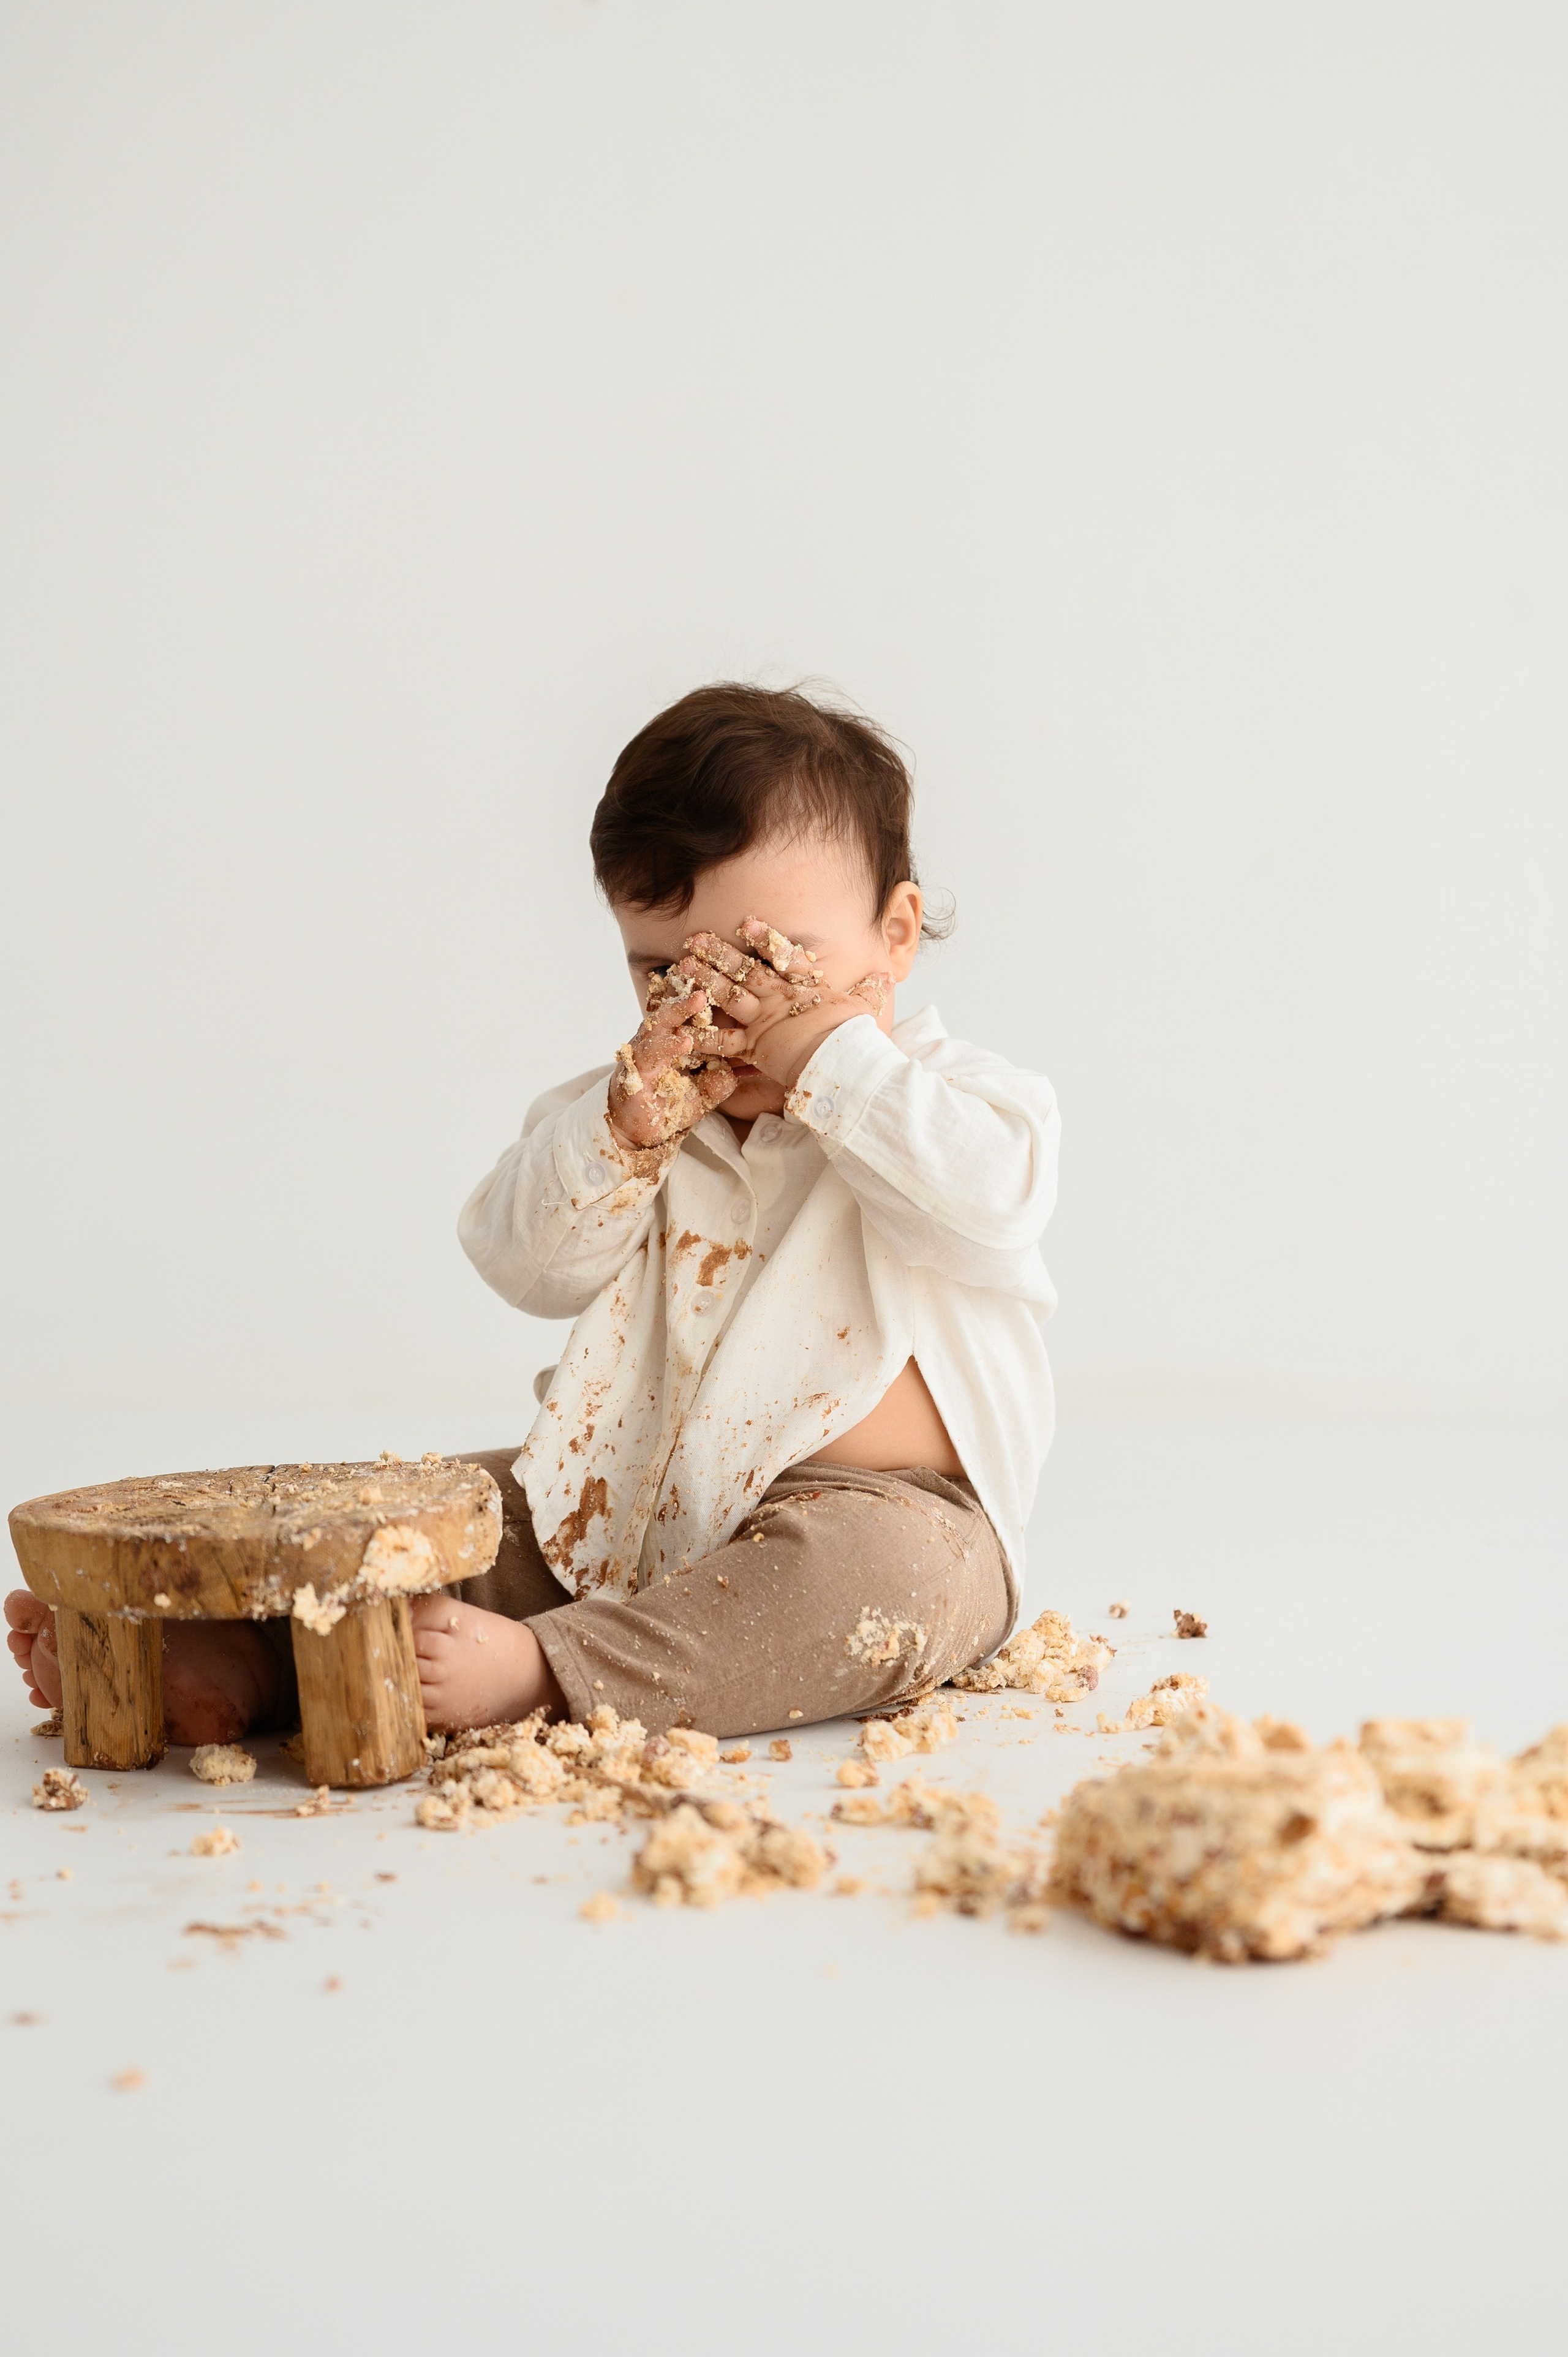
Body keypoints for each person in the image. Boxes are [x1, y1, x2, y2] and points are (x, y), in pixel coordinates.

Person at [6, 684, 1060, 1746]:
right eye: (667, 972)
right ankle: (243, 1649)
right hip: (623, 1499)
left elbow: (991, 1210)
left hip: (884, 1513)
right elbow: (524, 1265)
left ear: (897, 932)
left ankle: (552, 1670)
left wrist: (829, 1062)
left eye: (776, 964)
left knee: (884, 1588)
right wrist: (623, 1139)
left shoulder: (951, 1100)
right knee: (448, 1516)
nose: (726, 1012)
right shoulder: (629, 1115)